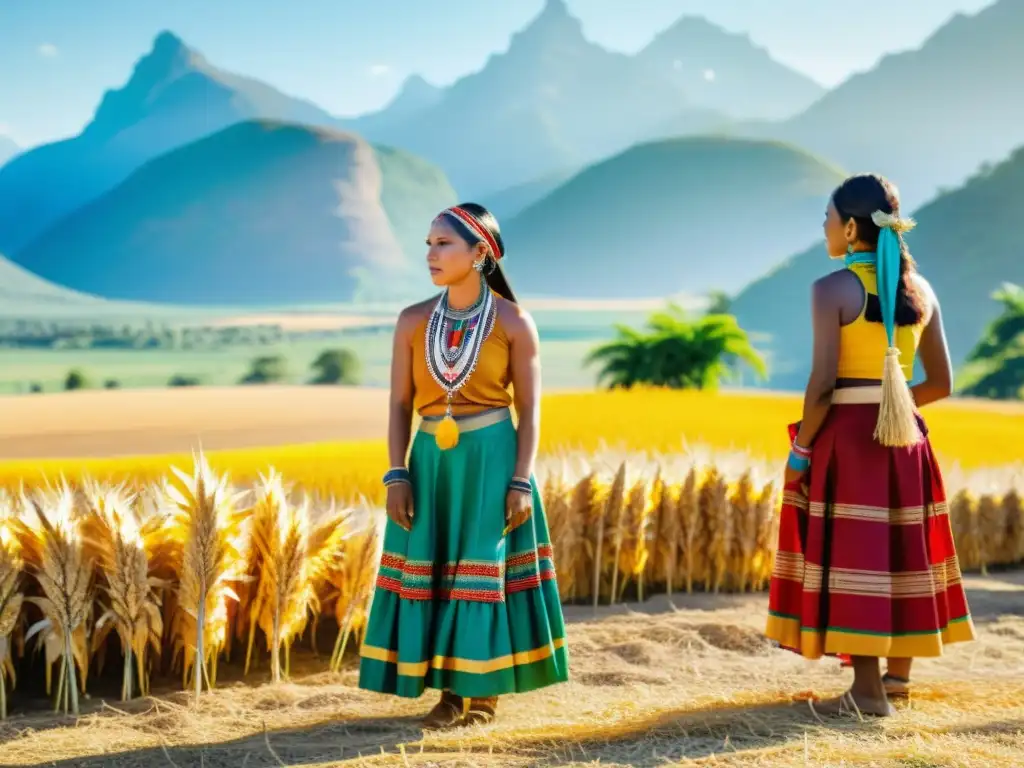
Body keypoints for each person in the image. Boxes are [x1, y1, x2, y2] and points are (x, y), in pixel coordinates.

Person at [765, 173, 976, 717]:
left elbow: (822, 387)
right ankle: (897, 681)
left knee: (856, 554)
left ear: (852, 227)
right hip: (907, 441)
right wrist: (895, 407)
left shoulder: (831, 289)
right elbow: (941, 383)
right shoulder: (921, 291)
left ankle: (865, 693)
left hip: (849, 442)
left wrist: (801, 451)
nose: (825, 229)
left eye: (829, 219)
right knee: (905, 550)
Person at [358, 202, 569, 728]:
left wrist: (521, 480)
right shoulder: (412, 321)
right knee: (439, 570)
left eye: (443, 244)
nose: (430, 254)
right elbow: (400, 405)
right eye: (428, 243)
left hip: (492, 458)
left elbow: (531, 409)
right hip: (431, 462)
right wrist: (397, 474)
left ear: (481, 253)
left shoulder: (515, 322)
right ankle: (449, 695)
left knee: (480, 569)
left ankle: (483, 694)